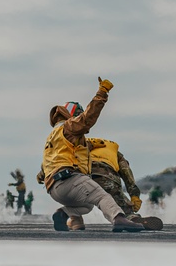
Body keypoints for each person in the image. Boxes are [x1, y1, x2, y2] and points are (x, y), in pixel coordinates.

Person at [36, 77, 143, 232]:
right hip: (70, 179)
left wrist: (90, 145)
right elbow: (87, 118)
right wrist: (102, 93)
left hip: (54, 190)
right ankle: (119, 219)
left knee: (87, 205)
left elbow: (45, 168)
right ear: (72, 115)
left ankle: (62, 214)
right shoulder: (69, 126)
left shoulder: (53, 136)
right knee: (102, 196)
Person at [86, 137, 162, 230]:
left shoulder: (78, 141)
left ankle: (73, 219)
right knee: (121, 205)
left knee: (75, 199)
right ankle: (131, 218)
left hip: (81, 176)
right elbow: (127, 175)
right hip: (105, 175)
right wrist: (135, 196)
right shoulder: (116, 153)